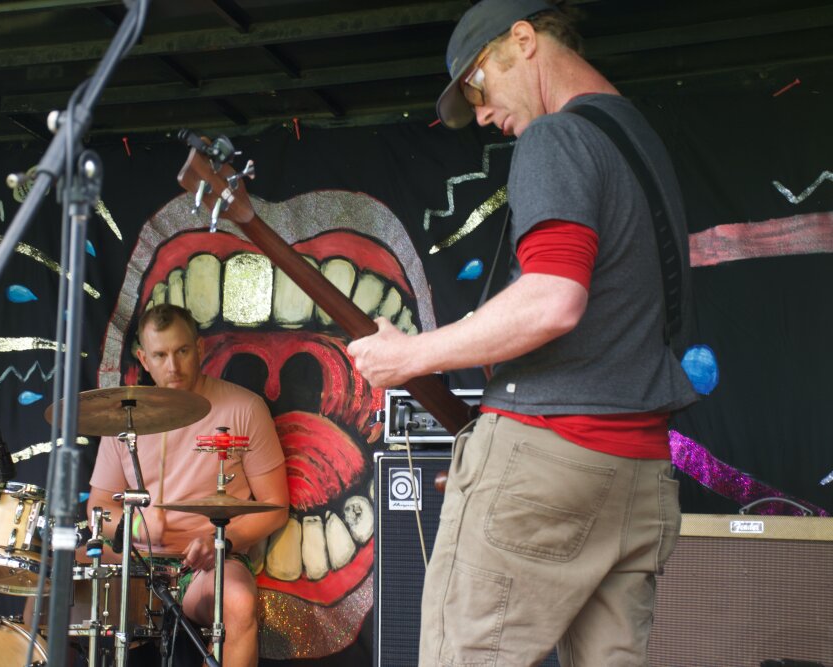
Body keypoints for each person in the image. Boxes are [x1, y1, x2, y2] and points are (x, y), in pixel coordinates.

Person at [348, 1, 697, 665]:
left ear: (525, 39)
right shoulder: (643, 145)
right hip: (640, 474)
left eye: (478, 86)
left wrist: (409, 355)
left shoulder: (557, 136)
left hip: (549, 460)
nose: (481, 114)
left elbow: (552, 300)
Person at [87, 304, 288, 667]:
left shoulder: (244, 408)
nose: (173, 366)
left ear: (199, 347)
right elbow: (98, 507)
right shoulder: (123, 414)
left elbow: (275, 507)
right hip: (133, 559)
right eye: (160, 355)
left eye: (181, 351)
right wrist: (138, 528)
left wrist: (222, 542)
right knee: (48, 580)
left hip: (207, 565)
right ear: (143, 359)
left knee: (238, 602)